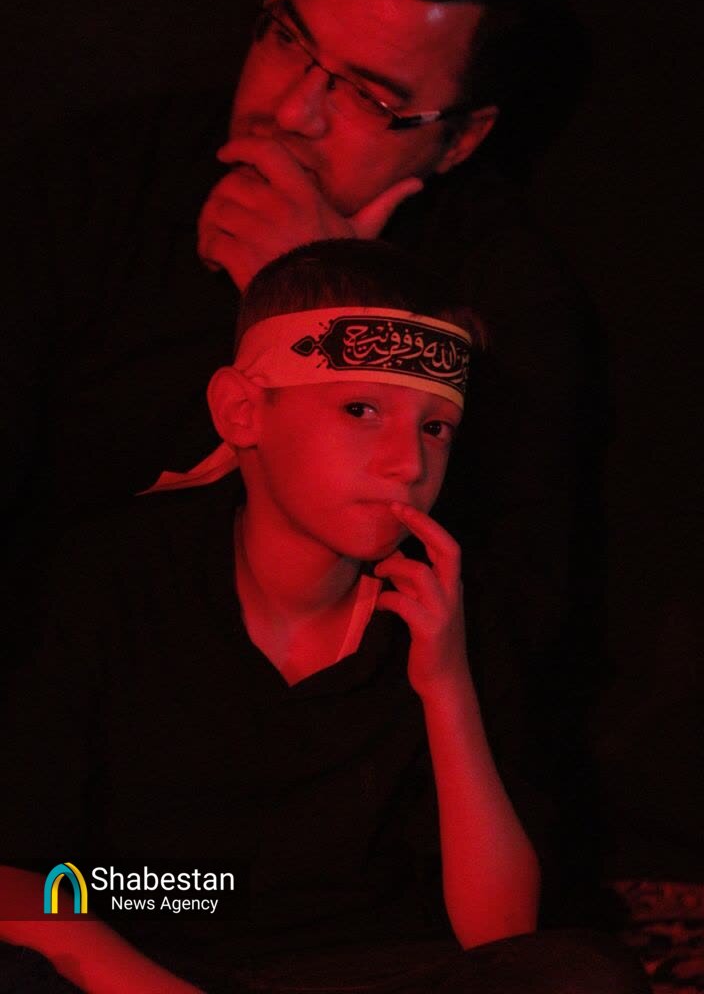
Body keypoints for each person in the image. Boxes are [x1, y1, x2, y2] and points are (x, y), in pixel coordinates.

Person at [3, 0, 603, 918]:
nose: (290, 109)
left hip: (345, 845)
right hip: (95, 820)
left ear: (459, 138)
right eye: (288, 38)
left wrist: (327, 307)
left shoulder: (508, 296)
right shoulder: (94, 187)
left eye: (369, 96)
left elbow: (513, 622)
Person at [0, 240, 646, 994]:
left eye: (435, 427)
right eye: (361, 410)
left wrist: (445, 685)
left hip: (362, 966)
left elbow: (498, 933)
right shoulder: (109, 575)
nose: (407, 463)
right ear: (242, 410)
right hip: (146, 956)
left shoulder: (445, 601)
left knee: (585, 975)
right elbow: (15, 874)